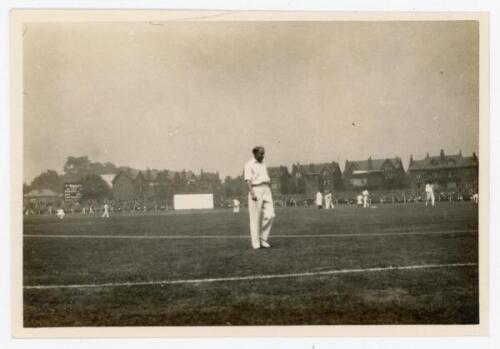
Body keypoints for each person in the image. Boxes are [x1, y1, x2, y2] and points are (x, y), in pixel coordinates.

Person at [244, 146, 275, 250]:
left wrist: (268, 188)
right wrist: (252, 193)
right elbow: (248, 180)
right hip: (255, 190)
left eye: (264, 153)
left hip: (266, 189)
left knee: (271, 214)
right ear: (255, 154)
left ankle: (263, 239)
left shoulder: (263, 164)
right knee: (255, 218)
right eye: (261, 153)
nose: (263, 155)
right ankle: (256, 243)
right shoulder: (249, 165)